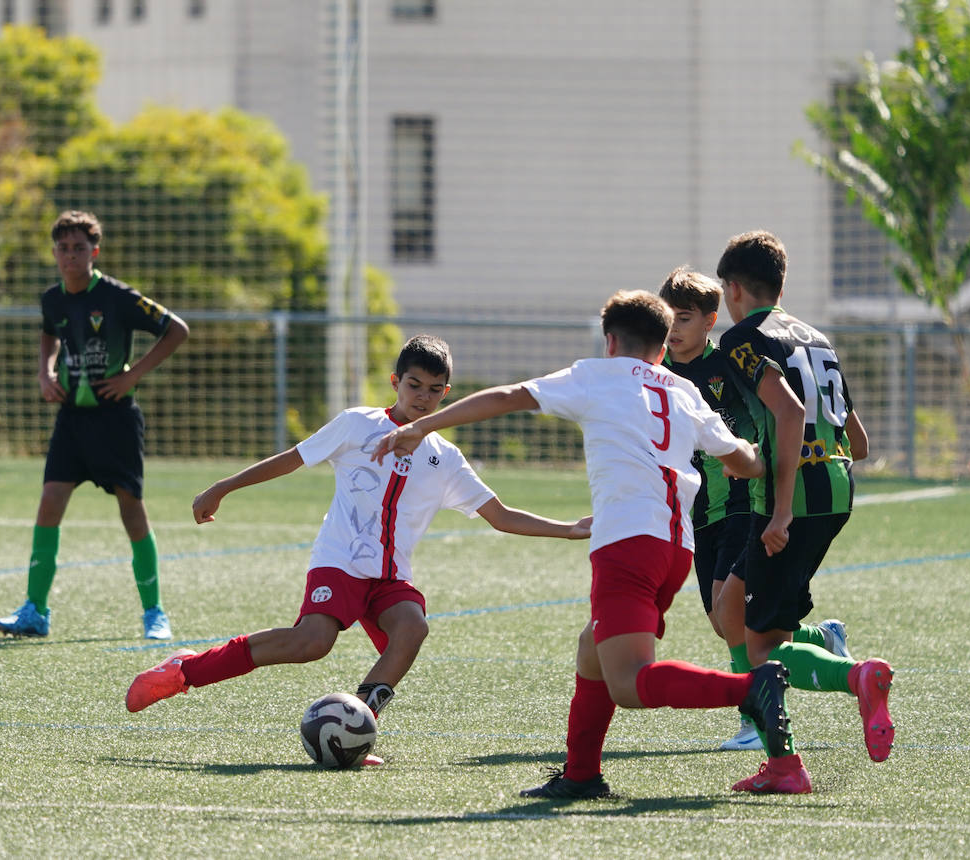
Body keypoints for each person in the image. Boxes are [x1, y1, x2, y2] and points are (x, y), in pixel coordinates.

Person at [372, 293, 805, 797]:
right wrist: (751, 456)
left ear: (609, 341)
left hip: (627, 542)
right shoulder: (682, 390)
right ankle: (581, 775)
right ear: (662, 349)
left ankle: (752, 686)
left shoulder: (596, 375)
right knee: (591, 650)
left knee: (629, 683)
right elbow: (744, 460)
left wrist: (422, 425)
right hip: (674, 548)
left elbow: (510, 395)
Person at [125, 334, 592, 766]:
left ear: (446, 394)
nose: (421, 397)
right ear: (396, 382)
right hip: (341, 562)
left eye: (433, 389)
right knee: (312, 643)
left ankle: (355, 730)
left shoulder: (445, 458)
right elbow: (292, 459)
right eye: (413, 385)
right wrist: (222, 487)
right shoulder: (356, 424)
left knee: (412, 628)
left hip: (389, 577)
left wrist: (570, 529)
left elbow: (500, 514)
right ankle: (186, 669)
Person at [714, 230, 893, 771]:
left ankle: (855, 677)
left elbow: (788, 414)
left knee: (766, 645)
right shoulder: (816, 337)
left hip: (790, 502)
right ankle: (765, 710)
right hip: (836, 486)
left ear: (734, 288)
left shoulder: (743, 338)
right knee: (729, 609)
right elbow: (856, 442)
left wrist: (784, 508)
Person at [659, 266, 853, 752]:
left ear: (710, 320)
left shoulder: (728, 363)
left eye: (683, 318)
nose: (672, 329)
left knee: (732, 612)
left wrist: (747, 457)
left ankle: (755, 716)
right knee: (722, 618)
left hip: (746, 502)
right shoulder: (658, 375)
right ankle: (818, 636)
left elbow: (770, 417)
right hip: (699, 510)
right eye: (666, 318)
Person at [0, 210, 189, 640]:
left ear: (94, 251)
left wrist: (132, 374)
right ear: (54, 253)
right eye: (63, 248)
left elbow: (177, 329)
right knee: (49, 504)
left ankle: (155, 613)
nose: (70, 256)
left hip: (116, 421)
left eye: (79, 248)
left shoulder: (118, 297)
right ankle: (35, 611)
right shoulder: (53, 298)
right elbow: (49, 333)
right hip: (72, 422)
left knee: (131, 512)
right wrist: (45, 372)